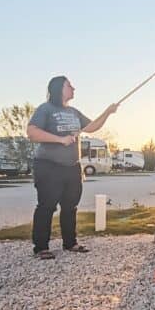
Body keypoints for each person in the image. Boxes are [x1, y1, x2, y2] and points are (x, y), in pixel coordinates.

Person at [26, 75, 118, 259]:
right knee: (47, 206)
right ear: (59, 88)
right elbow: (32, 132)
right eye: (70, 86)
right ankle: (41, 247)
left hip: (72, 167)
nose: (73, 88)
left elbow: (91, 127)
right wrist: (60, 139)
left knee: (70, 206)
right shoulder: (46, 110)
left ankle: (70, 243)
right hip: (48, 166)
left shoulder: (74, 112)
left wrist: (108, 112)